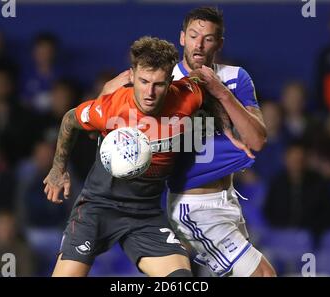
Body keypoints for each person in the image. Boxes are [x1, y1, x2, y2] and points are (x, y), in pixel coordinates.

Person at [43, 36, 206, 277]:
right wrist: (58, 169)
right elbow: (70, 119)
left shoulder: (188, 96)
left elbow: (207, 87)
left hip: (145, 214)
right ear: (131, 76)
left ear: (171, 81)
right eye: (143, 81)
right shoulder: (110, 106)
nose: (149, 92)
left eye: (159, 84)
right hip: (97, 207)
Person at [166, 7, 276, 277]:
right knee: (263, 274)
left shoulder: (236, 78)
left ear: (220, 44)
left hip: (227, 199)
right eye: (193, 36)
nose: (199, 45)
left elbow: (258, 140)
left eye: (209, 38)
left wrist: (222, 93)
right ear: (182, 38)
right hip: (193, 205)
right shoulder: (164, 82)